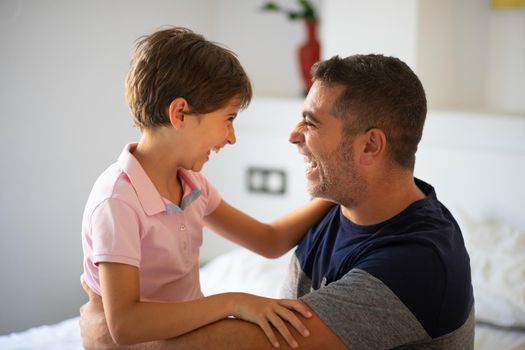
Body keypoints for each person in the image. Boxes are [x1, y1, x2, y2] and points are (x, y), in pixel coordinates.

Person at [80, 54, 474, 349]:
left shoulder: (417, 264)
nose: (293, 136)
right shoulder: (337, 207)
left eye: (311, 123)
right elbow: (270, 249)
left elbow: (252, 342)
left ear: (370, 145)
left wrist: (109, 339)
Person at [81, 26, 335, 350]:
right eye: (228, 118)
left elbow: (268, 241)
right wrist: (233, 302)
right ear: (180, 113)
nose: (231, 137)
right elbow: (125, 326)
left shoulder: (192, 185)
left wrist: (332, 195)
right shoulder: (117, 201)